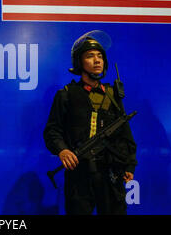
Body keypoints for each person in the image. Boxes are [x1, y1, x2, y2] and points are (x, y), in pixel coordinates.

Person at [43, 30, 137, 215]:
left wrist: (129, 165)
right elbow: (52, 131)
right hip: (80, 173)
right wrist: (62, 150)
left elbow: (125, 132)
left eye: (100, 56)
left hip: (111, 173)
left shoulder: (113, 95)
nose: (97, 60)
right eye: (90, 56)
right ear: (79, 62)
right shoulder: (67, 94)